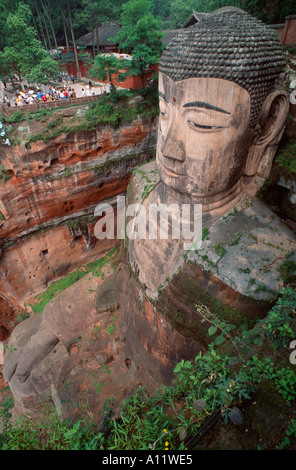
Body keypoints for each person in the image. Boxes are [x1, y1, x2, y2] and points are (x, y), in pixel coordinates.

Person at [3, 7, 294, 417]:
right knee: (22, 366)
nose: (169, 149)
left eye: (202, 123)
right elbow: (121, 276)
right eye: (163, 114)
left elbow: (222, 398)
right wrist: (54, 320)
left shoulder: (265, 263)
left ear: (266, 123)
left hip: (164, 402)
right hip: (122, 339)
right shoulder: (142, 186)